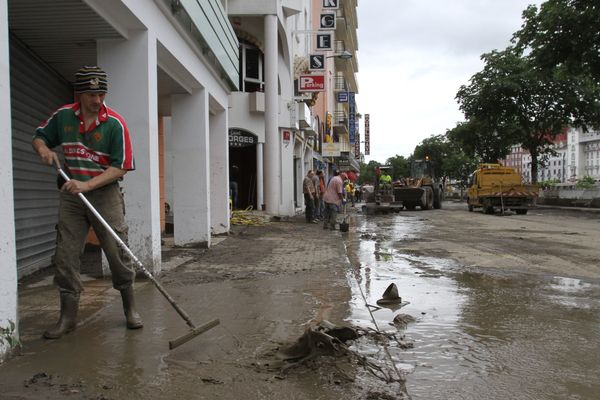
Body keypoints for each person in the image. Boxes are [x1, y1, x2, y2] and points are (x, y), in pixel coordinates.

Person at [32, 66, 143, 339]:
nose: (97, 100)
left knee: (117, 249)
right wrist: (44, 149)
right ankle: (67, 317)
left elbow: (121, 167)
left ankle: (130, 309)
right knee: (66, 253)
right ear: (79, 93)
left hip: (104, 192)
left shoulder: (115, 124)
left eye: (101, 93)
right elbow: (39, 137)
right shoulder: (64, 117)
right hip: (72, 196)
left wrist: (88, 184)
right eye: (91, 94)